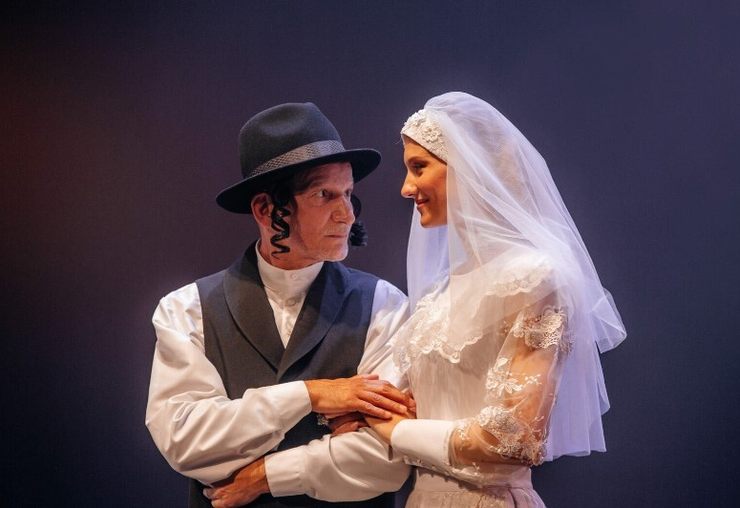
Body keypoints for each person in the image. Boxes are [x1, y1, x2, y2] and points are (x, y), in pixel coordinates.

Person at [362, 91, 627, 507]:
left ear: (469, 167)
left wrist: (398, 432)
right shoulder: (441, 290)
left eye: (419, 167)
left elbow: (514, 437)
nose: (406, 188)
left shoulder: (534, 277)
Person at [145, 102, 415, 507]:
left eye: (348, 194)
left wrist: (263, 474)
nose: (347, 215)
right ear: (265, 209)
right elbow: (186, 440)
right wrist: (312, 395)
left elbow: (387, 457)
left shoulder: (384, 304)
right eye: (324, 195)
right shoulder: (186, 310)